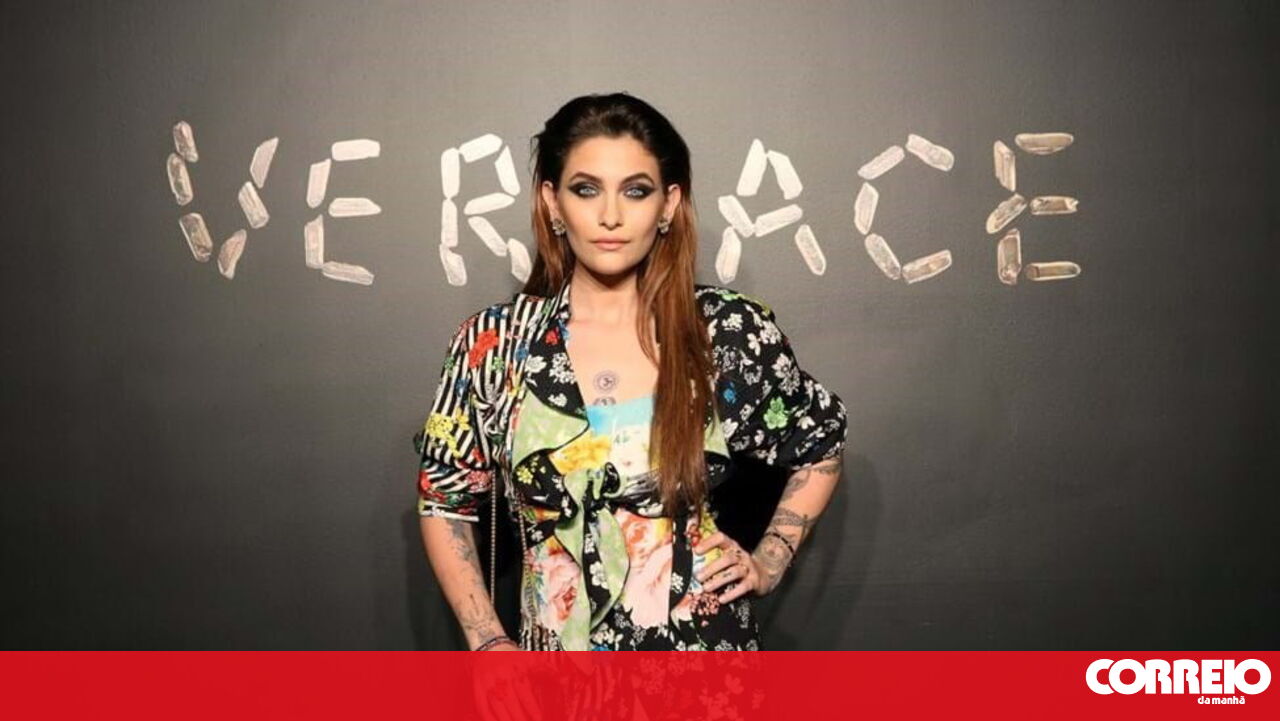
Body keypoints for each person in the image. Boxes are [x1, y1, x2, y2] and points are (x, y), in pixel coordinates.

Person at [414, 92, 847, 651]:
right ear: (551, 201)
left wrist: (769, 559)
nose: (611, 216)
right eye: (586, 189)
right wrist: (487, 642)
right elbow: (444, 500)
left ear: (669, 204)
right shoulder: (496, 345)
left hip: (705, 671)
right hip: (553, 675)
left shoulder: (725, 332)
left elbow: (821, 444)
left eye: (636, 191)